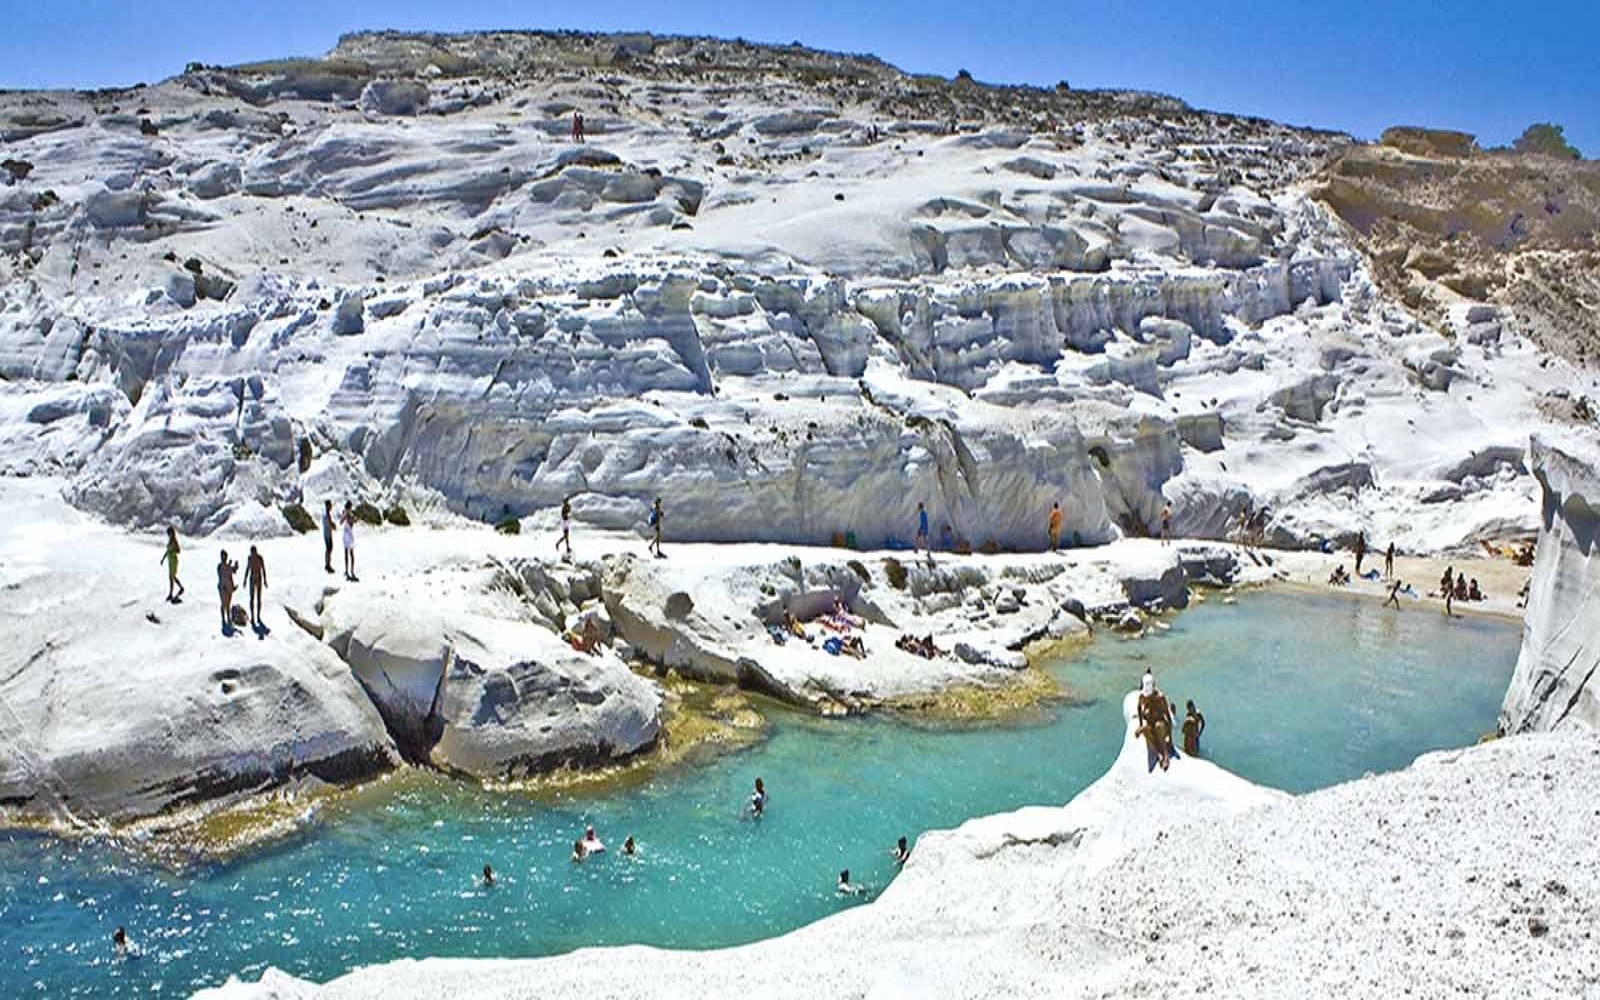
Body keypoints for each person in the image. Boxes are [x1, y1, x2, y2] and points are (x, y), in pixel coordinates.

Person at [1136, 671, 1178, 772]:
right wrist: (1140, 724)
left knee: (1159, 726)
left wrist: (1170, 739)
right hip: (1151, 725)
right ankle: (1159, 753)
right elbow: (1139, 708)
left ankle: (1165, 755)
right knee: (1143, 730)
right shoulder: (1142, 697)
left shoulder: (1160, 698)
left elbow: (1167, 716)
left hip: (1161, 726)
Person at [245, 545, 268, 630]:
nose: (253, 554)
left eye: (254, 553)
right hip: (252, 579)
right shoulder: (249, 558)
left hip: (258, 579)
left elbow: (263, 569)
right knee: (251, 599)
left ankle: (258, 616)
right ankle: (252, 617)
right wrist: (245, 579)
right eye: (252, 553)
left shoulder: (260, 558)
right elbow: (247, 568)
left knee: (258, 599)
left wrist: (265, 580)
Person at [217, 550, 239, 632]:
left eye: (225, 556)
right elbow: (222, 574)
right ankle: (224, 619)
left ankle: (228, 618)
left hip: (229, 587)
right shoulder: (220, 566)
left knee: (228, 604)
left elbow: (233, 571)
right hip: (223, 588)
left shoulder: (226, 565)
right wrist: (229, 566)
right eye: (223, 556)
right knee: (224, 604)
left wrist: (235, 567)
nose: (224, 558)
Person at [161, 526, 185, 604]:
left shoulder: (174, 541)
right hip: (170, 561)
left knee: (171, 577)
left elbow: (178, 551)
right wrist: (163, 559)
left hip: (174, 561)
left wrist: (172, 553)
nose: (168, 535)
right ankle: (181, 587)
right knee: (173, 577)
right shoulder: (170, 541)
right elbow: (167, 551)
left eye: (169, 533)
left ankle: (171, 594)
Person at [341, 501, 358, 581]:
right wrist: (347, 515)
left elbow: (354, 521)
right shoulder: (347, 513)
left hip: (347, 534)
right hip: (348, 535)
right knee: (350, 554)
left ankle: (348, 570)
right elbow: (342, 521)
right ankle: (350, 571)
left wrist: (350, 516)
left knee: (347, 554)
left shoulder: (349, 514)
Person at [322, 500, 336, 574]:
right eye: (330, 505)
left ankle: (327, 564)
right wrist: (333, 526)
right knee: (329, 549)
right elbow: (329, 524)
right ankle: (328, 565)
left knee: (329, 549)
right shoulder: (326, 514)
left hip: (327, 533)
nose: (331, 506)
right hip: (327, 534)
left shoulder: (326, 514)